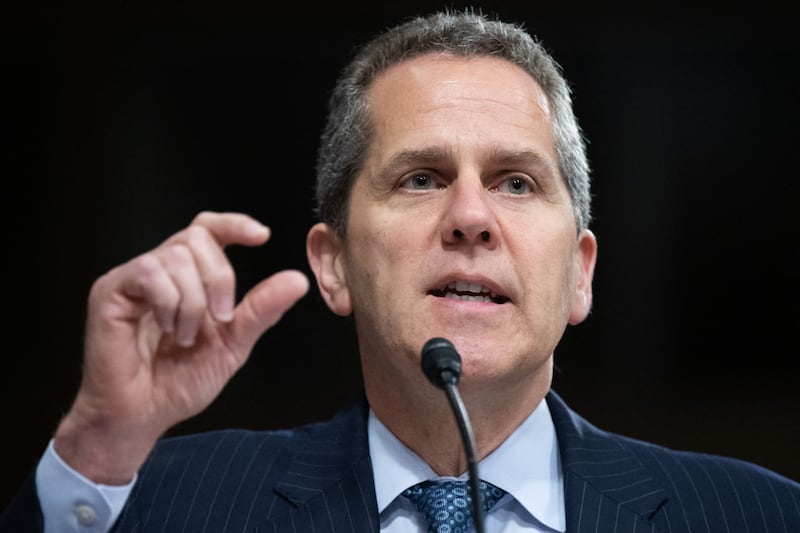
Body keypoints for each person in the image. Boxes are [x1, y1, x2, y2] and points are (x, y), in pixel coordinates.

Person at [2, 9, 799, 533]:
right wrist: (100, 447)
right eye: (419, 178)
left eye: (516, 182)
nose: (470, 217)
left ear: (581, 273)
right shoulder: (159, 502)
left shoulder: (756, 515)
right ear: (334, 264)